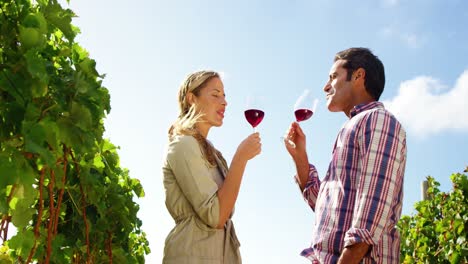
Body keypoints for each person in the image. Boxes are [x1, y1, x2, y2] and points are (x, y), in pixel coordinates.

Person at [284, 48, 407, 264]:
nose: (325, 86)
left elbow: (371, 211)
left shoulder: (377, 120)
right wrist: (300, 158)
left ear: (359, 76)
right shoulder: (354, 126)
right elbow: (325, 209)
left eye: (333, 76)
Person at [162, 70, 261, 264]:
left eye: (224, 96)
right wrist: (240, 158)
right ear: (192, 98)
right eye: (215, 95)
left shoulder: (213, 154)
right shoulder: (183, 145)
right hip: (192, 255)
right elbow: (216, 216)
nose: (224, 102)